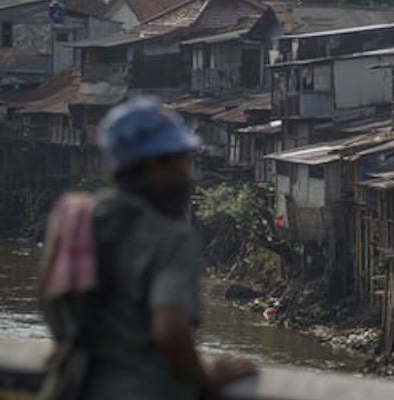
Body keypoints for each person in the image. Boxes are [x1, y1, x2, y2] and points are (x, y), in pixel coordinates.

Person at [38, 97, 256, 400]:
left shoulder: (74, 219)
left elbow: (58, 310)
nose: (187, 174)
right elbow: (169, 330)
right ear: (155, 164)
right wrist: (206, 376)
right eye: (183, 161)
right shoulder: (170, 236)